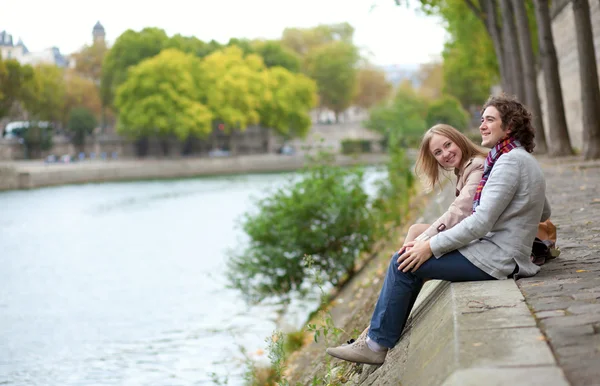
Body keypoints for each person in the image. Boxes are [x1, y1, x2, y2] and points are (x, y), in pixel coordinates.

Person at [326, 94, 551, 365]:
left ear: (510, 125)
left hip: (499, 259)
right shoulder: (515, 157)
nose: (481, 125)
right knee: (410, 258)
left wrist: (430, 245)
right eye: (482, 120)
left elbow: (479, 222)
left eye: (489, 120)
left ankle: (375, 345)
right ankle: (377, 335)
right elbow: (544, 211)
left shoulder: (508, 162)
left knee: (402, 263)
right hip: (501, 253)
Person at [402, 123, 487, 247]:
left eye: (448, 145)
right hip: (471, 230)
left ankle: (401, 262)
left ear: (458, 140)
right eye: (438, 152)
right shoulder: (463, 170)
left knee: (405, 254)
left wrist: (423, 240)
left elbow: (461, 210)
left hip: (481, 239)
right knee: (414, 230)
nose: (445, 154)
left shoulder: (476, 166)